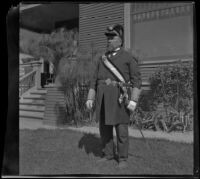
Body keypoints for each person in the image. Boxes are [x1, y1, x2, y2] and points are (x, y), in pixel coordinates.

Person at [86, 24, 142, 169]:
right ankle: (108, 154)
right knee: (104, 129)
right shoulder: (102, 58)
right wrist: (90, 97)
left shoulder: (128, 57)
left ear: (120, 40)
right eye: (108, 38)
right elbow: (93, 79)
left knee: (121, 130)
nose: (109, 40)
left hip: (120, 98)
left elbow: (137, 80)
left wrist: (134, 101)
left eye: (112, 37)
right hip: (103, 98)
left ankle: (123, 158)